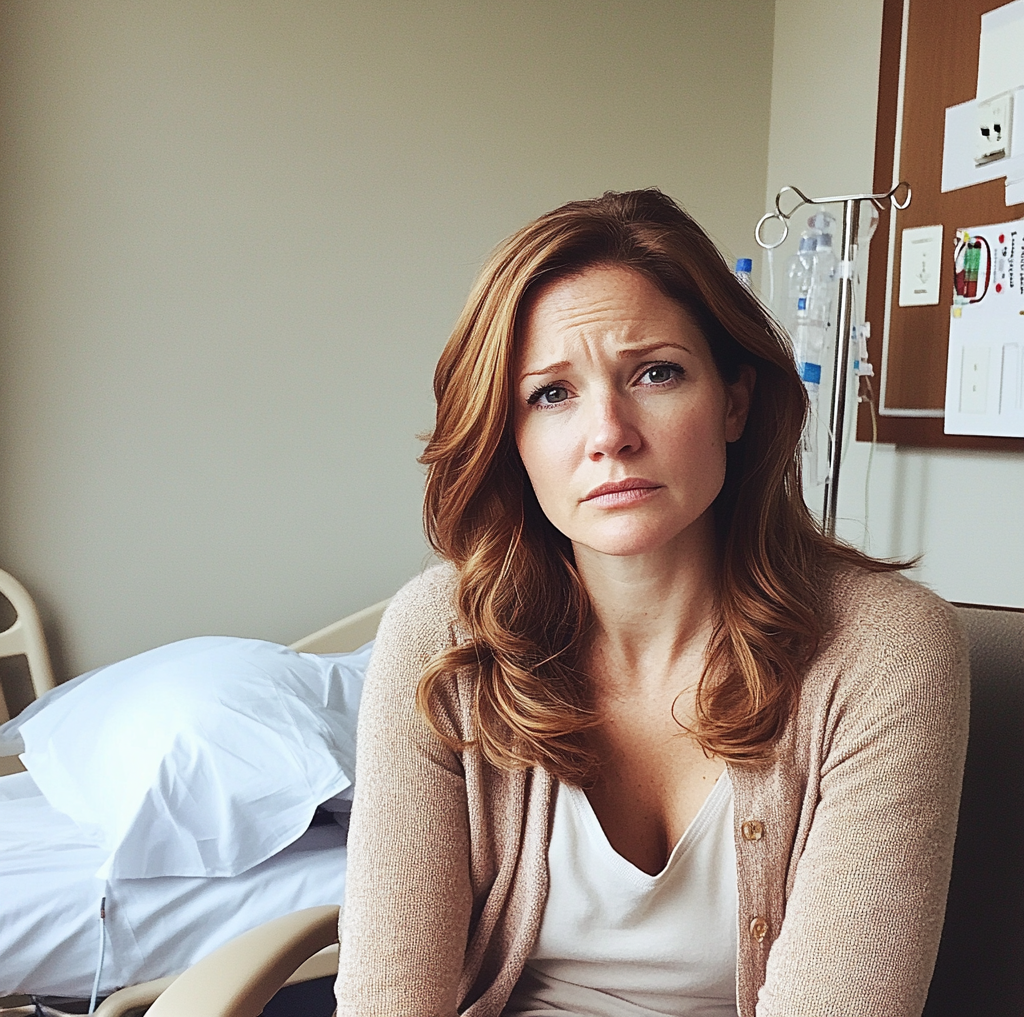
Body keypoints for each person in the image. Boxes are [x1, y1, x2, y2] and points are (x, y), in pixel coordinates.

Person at [335, 189, 969, 1017]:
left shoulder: (884, 649)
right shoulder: (442, 636)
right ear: (509, 435)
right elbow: (392, 999)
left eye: (656, 373)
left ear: (734, 401)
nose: (610, 433)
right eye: (551, 394)